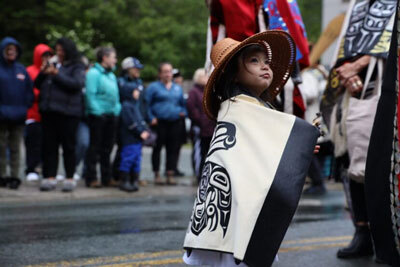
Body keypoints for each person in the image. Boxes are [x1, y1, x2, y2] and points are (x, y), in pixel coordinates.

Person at [183, 31, 319, 266]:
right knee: (233, 251)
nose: (265, 66)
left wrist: (297, 148)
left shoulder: (254, 107)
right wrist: (299, 141)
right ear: (234, 75)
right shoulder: (237, 107)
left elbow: (266, 147)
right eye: (254, 61)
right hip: (233, 201)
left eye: (266, 62)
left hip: (240, 201)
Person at [319, 0, 397, 261]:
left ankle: (384, 233)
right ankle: (362, 231)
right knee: (351, 160)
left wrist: (361, 64)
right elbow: (347, 45)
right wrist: (347, 72)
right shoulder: (358, 5)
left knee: (384, 162)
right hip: (354, 90)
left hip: (386, 84)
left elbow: (390, 41)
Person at [35, 37, 85, 192]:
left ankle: (69, 177)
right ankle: (50, 177)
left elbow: (76, 85)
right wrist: (44, 72)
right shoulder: (53, 63)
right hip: (49, 111)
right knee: (50, 146)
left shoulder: (77, 66)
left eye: (61, 50)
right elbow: (37, 84)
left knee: (68, 146)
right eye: (57, 49)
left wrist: (56, 74)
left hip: (68, 113)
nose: (59, 53)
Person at [0, 37, 34, 189]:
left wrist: (24, 108)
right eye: (8, 50)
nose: (11, 52)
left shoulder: (21, 70)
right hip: (2, 115)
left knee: (15, 147)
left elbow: (29, 92)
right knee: (1, 147)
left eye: (13, 50)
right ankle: (2, 175)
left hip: (18, 115)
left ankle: (14, 176)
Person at [145, 62, 187, 185]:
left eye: (170, 71)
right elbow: (146, 104)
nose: (168, 74)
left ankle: (170, 173)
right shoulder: (153, 87)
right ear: (160, 74)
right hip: (159, 122)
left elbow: (182, 104)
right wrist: (150, 117)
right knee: (157, 148)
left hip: (174, 122)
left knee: (172, 149)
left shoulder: (177, 88)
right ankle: (157, 174)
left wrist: (183, 112)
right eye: (165, 71)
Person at [84, 47, 121, 188]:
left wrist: (117, 109)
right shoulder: (93, 73)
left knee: (108, 148)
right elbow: (90, 95)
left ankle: (107, 177)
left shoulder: (111, 75)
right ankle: (91, 177)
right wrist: (97, 112)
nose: (115, 60)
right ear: (105, 58)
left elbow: (116, 96)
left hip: (111, 115)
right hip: (98, 116)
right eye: (113, 57)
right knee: (95, 147)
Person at [113, 57, 147, 186]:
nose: (138, 70)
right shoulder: (121, 82)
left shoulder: (139, 82)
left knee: (136, 152)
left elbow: (143, 103)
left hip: (138, 119)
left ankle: (133, 177)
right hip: (125, 120)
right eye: (135, 68)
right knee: (124, 150)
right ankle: (119, 177)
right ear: (128, 69)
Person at [25, 44, 53, 181]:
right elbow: (29, 91)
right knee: (33, 143)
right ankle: (31, 168)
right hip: (33, 113)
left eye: (48, 55)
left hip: (48, 113)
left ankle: (44, 169)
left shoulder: (52, 71)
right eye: (44, 56)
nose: (46, 58)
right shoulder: (29, 71)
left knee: (47, 144)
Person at [118, 80, 150, 192]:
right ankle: (124, 181)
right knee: (128, 159)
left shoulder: (134, 105)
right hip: (130, 139)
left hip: (137, 140)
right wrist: (140, 132)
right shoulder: (127, 106)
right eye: (135, 91)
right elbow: (130, 123)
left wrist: (145, 129)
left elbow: (140, 120)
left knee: (136, 159)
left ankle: (134, 180)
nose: (138, 93)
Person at [187, 68, 215, 182]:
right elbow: (191, 109)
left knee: (209, 153)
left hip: (211, 129)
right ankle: (199, 176)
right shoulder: (194, 92)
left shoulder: (209, 91)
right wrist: (202, 121)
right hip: (200, 129)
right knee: (199, 153)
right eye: (206, 76)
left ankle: (207, 175)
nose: (208, 78)